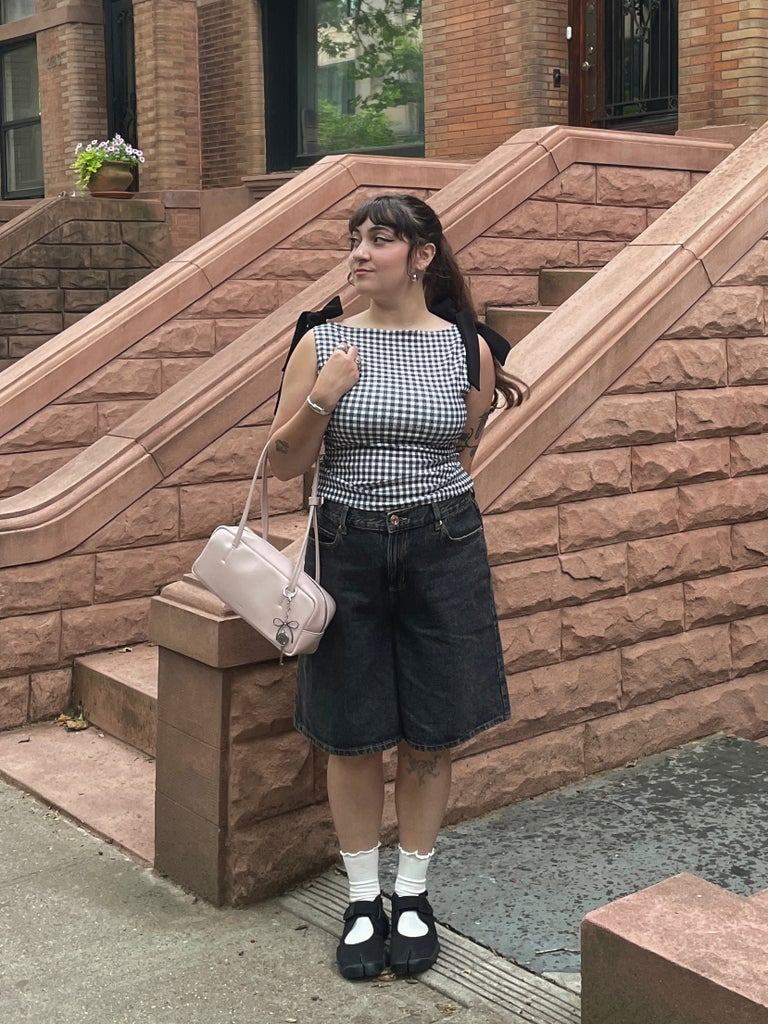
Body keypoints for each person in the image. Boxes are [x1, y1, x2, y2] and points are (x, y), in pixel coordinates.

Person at [268, 194, 524, 981]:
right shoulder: (323, 341)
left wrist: (423, 512)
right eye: (355, 239)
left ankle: (412, 893)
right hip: (345, 546)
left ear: (422, 255)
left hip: (442, 544)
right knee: (351, 730)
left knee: (431, 730)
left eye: (380, 239)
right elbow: (281, 463)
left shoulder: (467, 348)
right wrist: (325, 394)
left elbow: (464, 448)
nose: (360, 252)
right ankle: (361, 900)